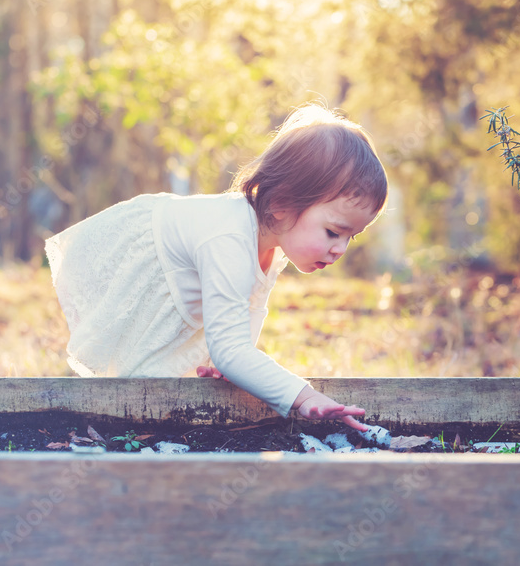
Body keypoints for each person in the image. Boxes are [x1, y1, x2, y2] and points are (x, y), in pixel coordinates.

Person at [45, 104, 388, 431]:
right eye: (333, 232)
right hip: (142, 262)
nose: (340, 249)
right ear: (283, 204)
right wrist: (303, 395)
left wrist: (229, 366)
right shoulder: (229, 238)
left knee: (166, 383)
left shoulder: (271, 242)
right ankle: (95, 419)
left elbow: (245, 311)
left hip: (180, 274)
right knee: (134, 383)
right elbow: (231, 350)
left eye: (350, 238)